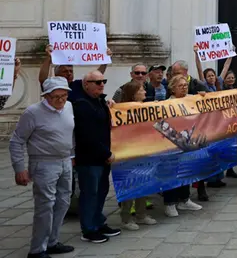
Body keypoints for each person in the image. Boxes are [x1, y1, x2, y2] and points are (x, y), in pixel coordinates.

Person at [10, 77, 75, 258]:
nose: (61, 100)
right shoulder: (33, 112)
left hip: (65, 160)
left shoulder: (69, 107)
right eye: (56, 97)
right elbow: (17, 141)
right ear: (46, 96)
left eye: (64, 95)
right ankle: (37, 249)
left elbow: (70, 132)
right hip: (43, 163)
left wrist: (72, 154)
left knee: (63, 202)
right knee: (45, 205)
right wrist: (19, 168)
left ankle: (52, 241)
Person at [71, 71, 121, 243]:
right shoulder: (81, 105)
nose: (101, 84)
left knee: (101, 192)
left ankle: (98, 222)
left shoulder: (100, 102)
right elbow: (87, 135)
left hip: (102, 157)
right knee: (89, 193)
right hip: (89, 158)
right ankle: (89, 229)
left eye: (103, 81)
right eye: (97, 82)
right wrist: (106, 153)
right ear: (86, 84)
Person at [114, 81, 157, 231]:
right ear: (133, 93)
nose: (145, 92)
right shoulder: (123, 111)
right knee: (129, 185)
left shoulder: (147, 107)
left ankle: (141, 214)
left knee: (143, 183)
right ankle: (126, 218)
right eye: (141, 90)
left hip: (145, 151)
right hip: (129, 153)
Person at [161, 75, 205, 216]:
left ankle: (184, 200)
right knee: (172, 173)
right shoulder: (166, 103)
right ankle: (170, 203)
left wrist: (203, 96)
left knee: (186, 170)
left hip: (187, 142)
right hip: (172, 143)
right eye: (180, 86)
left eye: (185, 85)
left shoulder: (191, 98)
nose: (184, 87)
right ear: (172, 88)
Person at [38, 45, 111, 101]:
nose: (69, 74)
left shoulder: (78, 85)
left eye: (71, 71)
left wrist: (105, 60)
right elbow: (43, 80)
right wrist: (49, 58)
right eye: (65, 71)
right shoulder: (52, 85)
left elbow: (96, 76)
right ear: (56, 73)